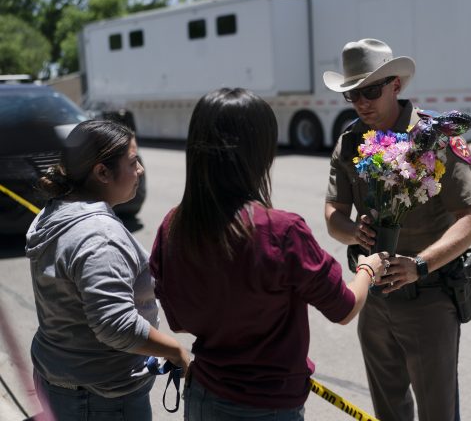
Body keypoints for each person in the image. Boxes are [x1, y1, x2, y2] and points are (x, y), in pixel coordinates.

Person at [148, 87, 390, 421]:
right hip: (268, 407)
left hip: (203, 397)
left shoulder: (172, 227)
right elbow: (344, 307)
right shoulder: (281, 231)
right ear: (257, 151)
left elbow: (179, 319)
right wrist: (368, 269)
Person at [323, 38, 471, 421]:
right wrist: (352, 233)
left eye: (370, 90)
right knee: (388, 410)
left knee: (437, 412)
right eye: (352, 95)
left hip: (428, 299)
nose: (362, 102)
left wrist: (420, 265)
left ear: (395, 84)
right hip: (374, 297)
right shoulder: (351, 141)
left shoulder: (436, 137)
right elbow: (333, 213)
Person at [25, 120, 191, 421]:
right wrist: (175, 352)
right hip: (100, 401)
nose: (140, 170)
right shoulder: (98, 236)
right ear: (102, 172)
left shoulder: (57, 211)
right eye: (132, 162)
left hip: (64, 381)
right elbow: (115, 324)